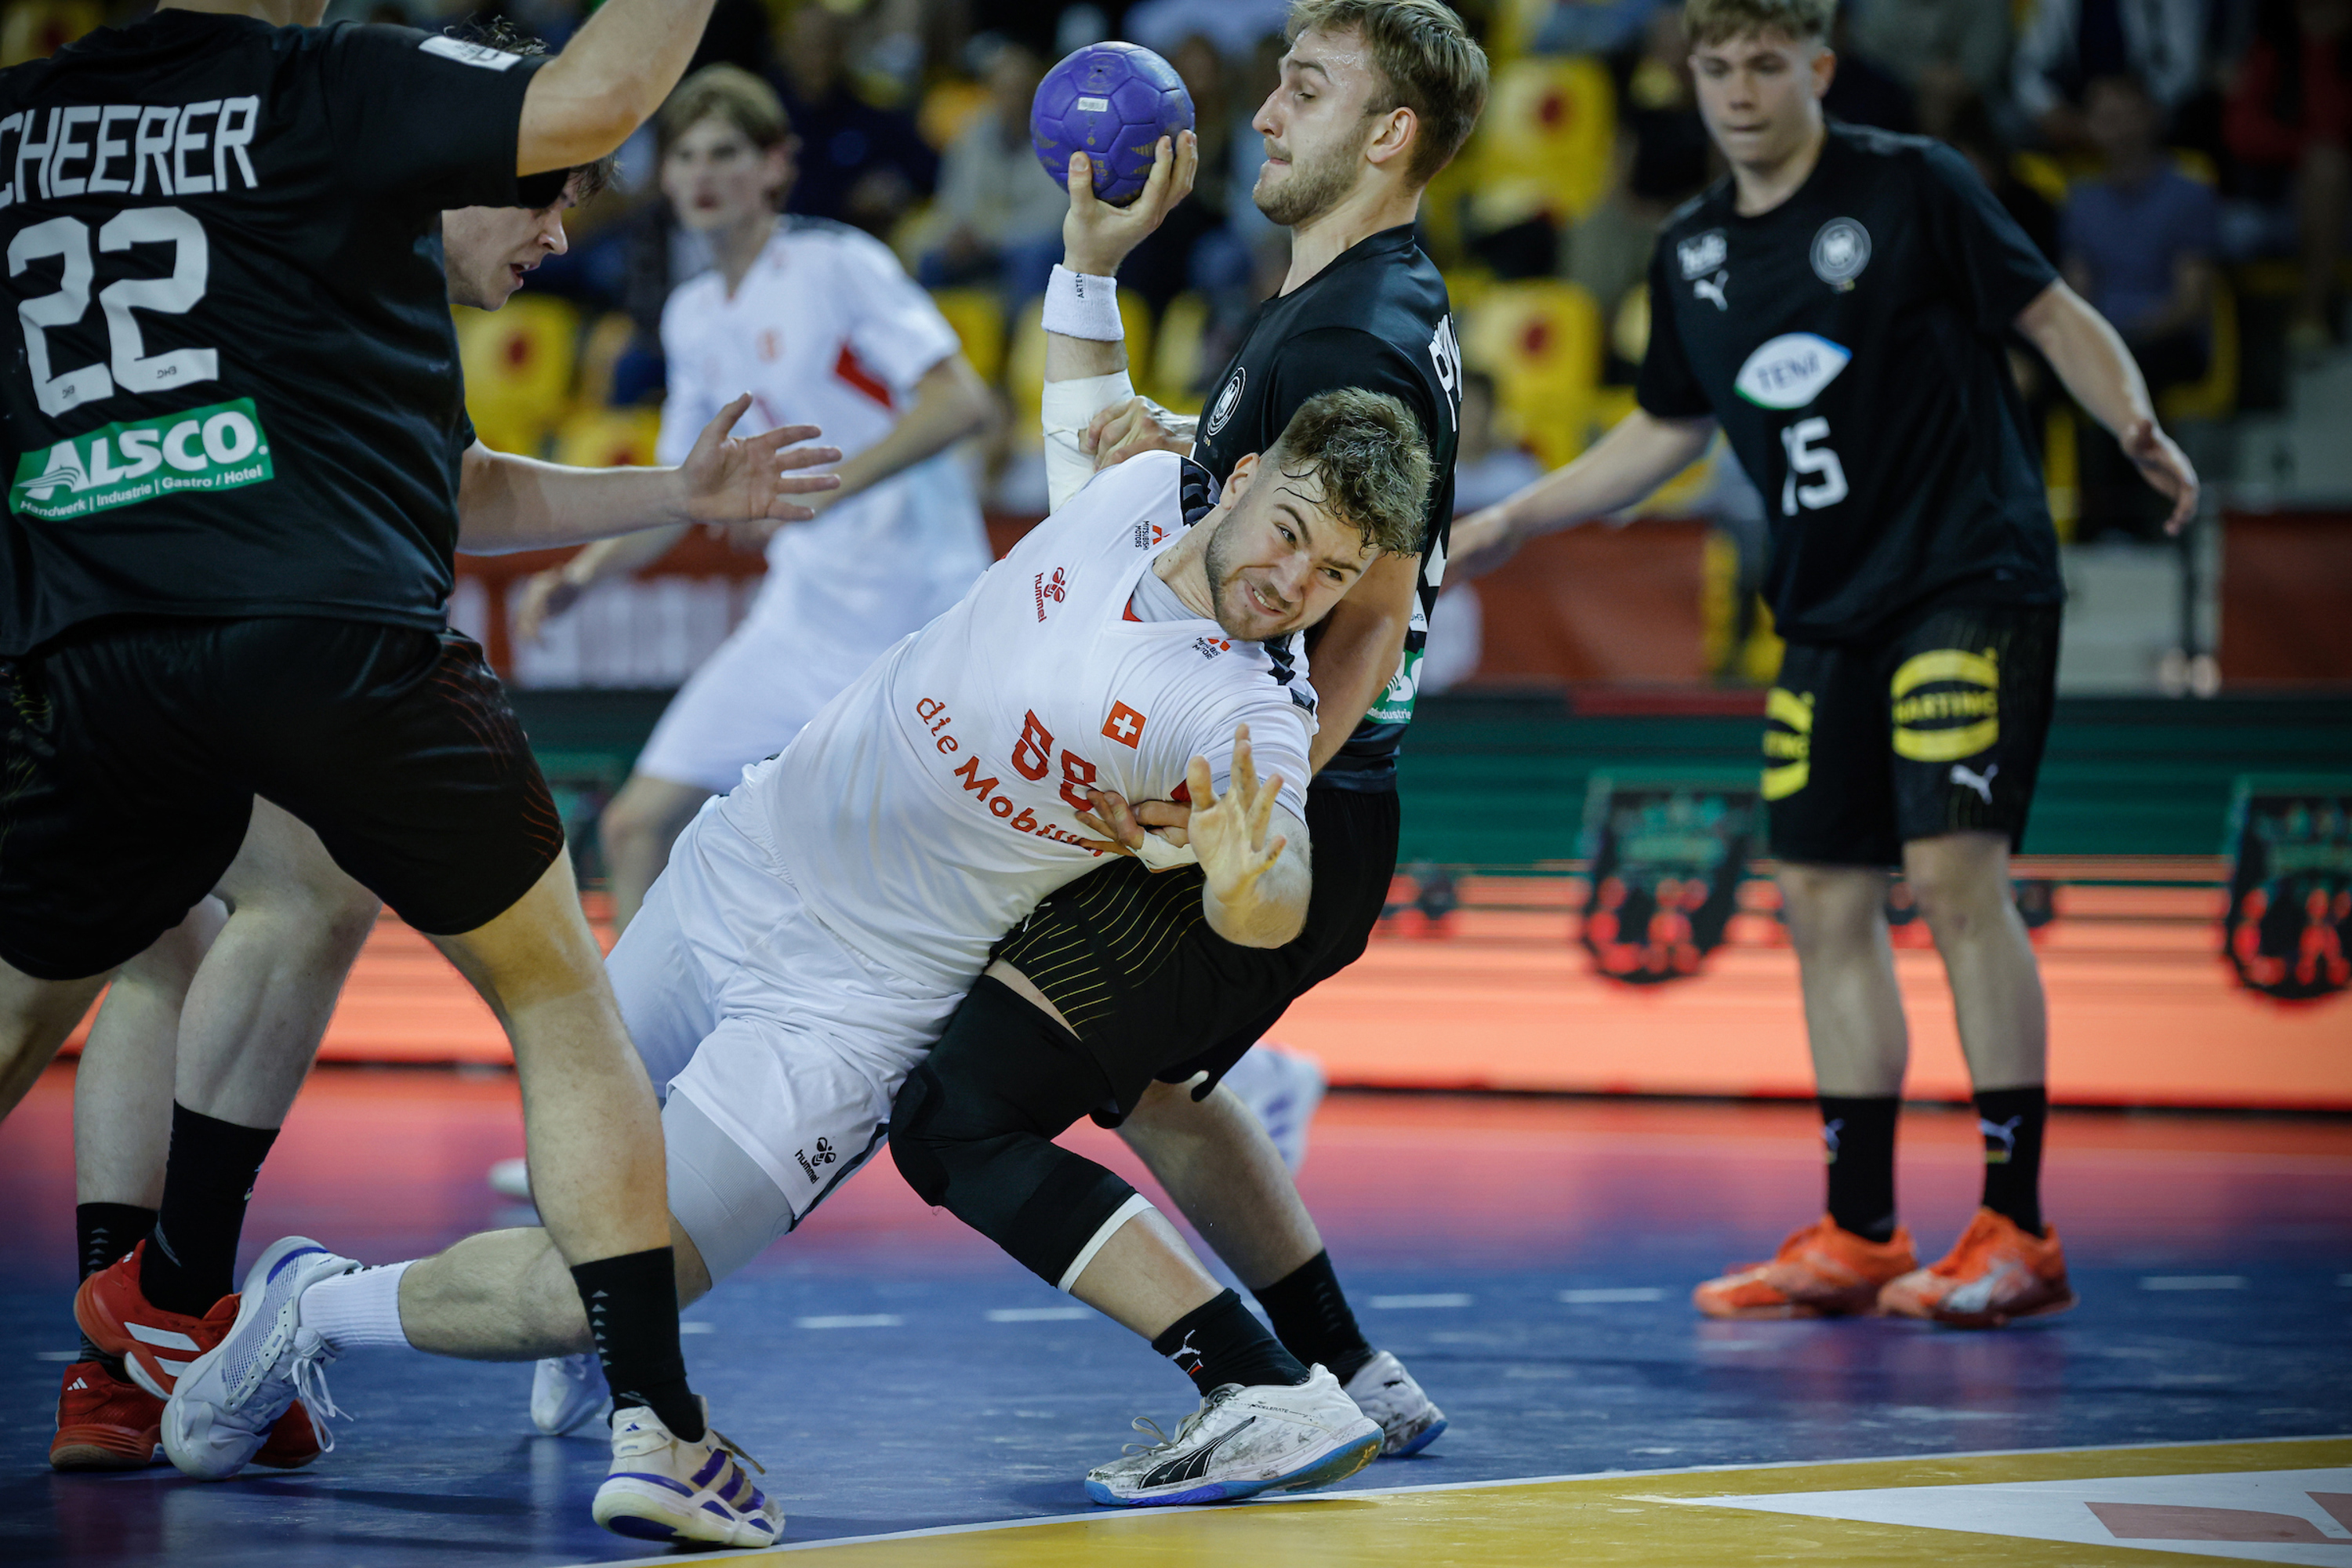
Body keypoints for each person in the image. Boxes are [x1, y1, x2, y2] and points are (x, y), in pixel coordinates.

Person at [172, 388, 1430, 1511]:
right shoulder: (1149, 480)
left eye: (1333, 574)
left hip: (853, 1011)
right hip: (744, 856)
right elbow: (1087, 390)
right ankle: (587, 1355)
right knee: (572, 1139)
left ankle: (308, 1305)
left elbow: (1272, 892)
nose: (1291, 582)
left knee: (606, 1282)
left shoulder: (1249, 709)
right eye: (1290, 529)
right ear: (1248, 470)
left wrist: (1251, 869)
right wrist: (1086, 252)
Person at [0, 0, 824, 1538]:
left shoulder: (60, 130)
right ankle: (655, 1416)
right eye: (545, 192)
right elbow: (598, 88)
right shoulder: (325, 101)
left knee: (213, 919)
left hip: (85, 649)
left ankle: (151, 1318)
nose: (562, 228)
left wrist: (677, 486)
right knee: (553, 991)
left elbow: (458, 483)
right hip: (315, 638)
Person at [1452, 0, 2199, 1328]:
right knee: (1816, 898)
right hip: (1827, 612)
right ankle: (1861, 1230)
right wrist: (1514, 516)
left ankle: (2018, 1226)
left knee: (1957, 879)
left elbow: (2050, 314)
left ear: (1820, 69)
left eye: (1766, 64)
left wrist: (2132, 421)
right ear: (1691, 74)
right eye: (1718, 65)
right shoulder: (1689, 254)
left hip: (1968, 578)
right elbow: (1669, 427)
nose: (1740, 91)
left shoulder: (1913, 186)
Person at [892, 0, 1486, 1471]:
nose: (1265, 114)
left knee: (957, 1118)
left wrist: (1262, 818)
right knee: (1159, 1085)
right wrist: (1200, 460)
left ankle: (1256, 1385)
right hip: (1307, 807)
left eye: (1304, 87)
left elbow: (1366, 612)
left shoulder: (1353, 327)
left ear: (1390, 133)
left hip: (1280, 806)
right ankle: (1352, 1372)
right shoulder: (1351, 301)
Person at [514, 65, 996, 933]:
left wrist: (817, 490)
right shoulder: (691, 314)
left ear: (776, 165)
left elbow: (961, 400)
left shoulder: (838, 261)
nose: (703, 174)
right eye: (686, 155)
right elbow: (681, 492)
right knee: (637, 824)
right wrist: (584, 572)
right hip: (802, 612)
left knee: (924, 882)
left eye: (727, 152)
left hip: (918, 611)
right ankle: (640, 1066)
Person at [2061, 71, 2218, 539]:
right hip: (2105, 339)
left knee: (2125, 376)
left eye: (2126, 114)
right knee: (2037, 376)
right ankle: (2067, 523)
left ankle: (2138, 522)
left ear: (2152, 117)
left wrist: (2121, 339)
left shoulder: (2190, 193)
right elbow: (2076, 293)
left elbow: (2191, 301)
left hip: (2169, 340)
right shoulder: (2081, 201)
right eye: (2105, 116)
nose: (2118, 127)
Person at [2224, 0, 2350, 354]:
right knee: (2325, 166)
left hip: (2341, 195)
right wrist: (2304, 149)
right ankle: (2309, 314)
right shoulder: (2272, 49)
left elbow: (2334, 129)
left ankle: (2310, 311)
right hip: (2275, 193)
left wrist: (2324, 48)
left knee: (2329, 169)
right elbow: (2241, 130)